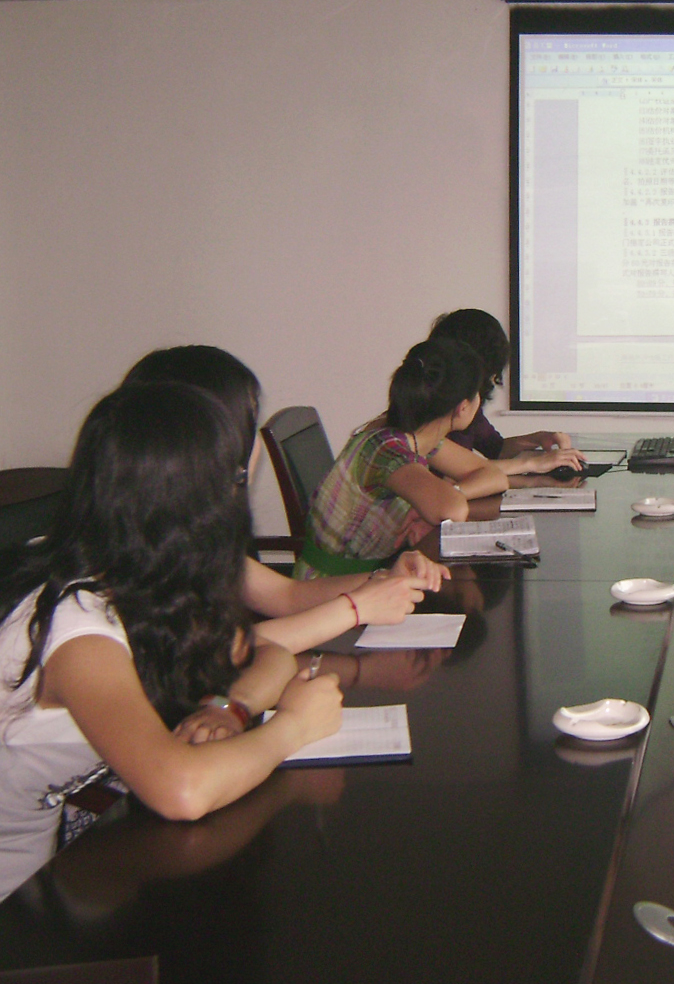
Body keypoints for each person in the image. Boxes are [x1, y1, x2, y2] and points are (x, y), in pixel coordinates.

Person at [0, 383, 342, 822]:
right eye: (234, 478)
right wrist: (294, 726)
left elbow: (266, 652)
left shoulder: (145, 582)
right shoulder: (76, 627)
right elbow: (182, 791)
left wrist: (230, 709)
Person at [121, 345, 447, 657]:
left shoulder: (199, 526)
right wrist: (355, 608)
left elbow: (287, 595)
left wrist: (384, 578)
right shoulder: (148, 549)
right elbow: (223, 655)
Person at [295, 337, 509, 579]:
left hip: (373, 576)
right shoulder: (385, 449)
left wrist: (451, 492)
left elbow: (494, 476)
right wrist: (442, 500)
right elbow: (453, 509)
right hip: (329, 586)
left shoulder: (419, 436)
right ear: (463, 407)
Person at [429, 309, 586, 475]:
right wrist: (532, 463)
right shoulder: (431, 408)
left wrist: (537, 439)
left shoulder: (467, 399)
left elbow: (496, 448)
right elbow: (456, 473)